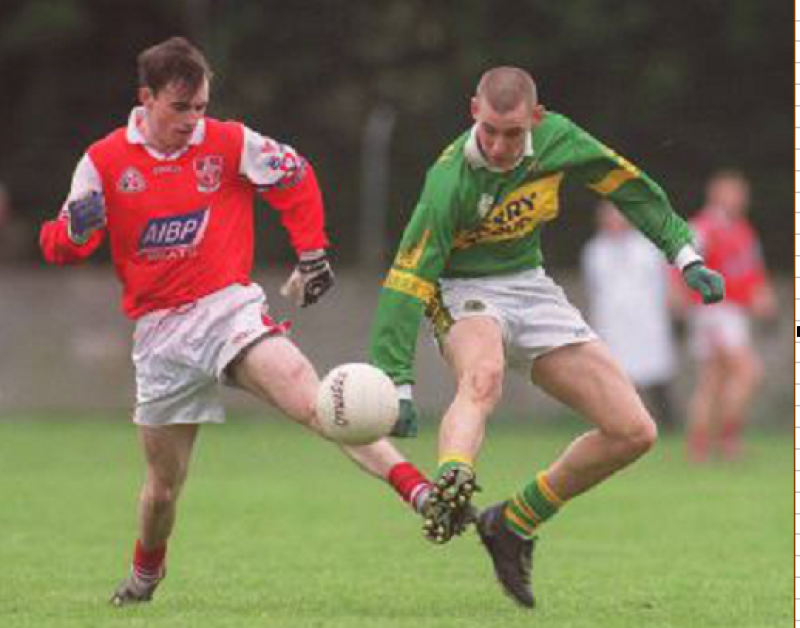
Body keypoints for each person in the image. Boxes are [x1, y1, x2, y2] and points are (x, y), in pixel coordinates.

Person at [39, 37, 433, 607]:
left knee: (319, 404)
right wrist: (75, 231)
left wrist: (312, 252)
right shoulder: (102, 161)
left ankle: (422, 495)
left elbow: (294, 175)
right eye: (180, 107)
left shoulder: (228, 142)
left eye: (201, 107)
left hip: (227, 310)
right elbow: (59, 245)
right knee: (163, 491)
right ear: (146, 98)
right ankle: (145, 575)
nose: (192, 121)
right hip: (160, 334)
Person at [368, 66, 724, 609]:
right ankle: (453, 477)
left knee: (633, 431)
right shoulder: (448, 182)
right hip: (462, 289)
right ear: (474, 111)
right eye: (489, 130)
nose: (498, 145)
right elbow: (407, 279)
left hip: (531, 287)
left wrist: (684, 254)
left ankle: (512, 522)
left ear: (535, 119)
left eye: (512, 133)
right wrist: (396, 381)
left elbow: (625, 184)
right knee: (483, 375)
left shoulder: (558, 138)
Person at [674, 170, 776, 462]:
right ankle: (728, 437)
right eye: (733, 192)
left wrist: (761, 294)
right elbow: (681, 261)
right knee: (748, 372)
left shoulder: (743, 229)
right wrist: (679, 297)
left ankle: (700, 445)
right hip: (714, 311)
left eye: (741, 193)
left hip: (734, 312)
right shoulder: (703, 227)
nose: (740, 198)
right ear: (715, 194)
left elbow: (752, 270)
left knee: (713, 380)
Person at [581, 200, 678, 430]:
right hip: (613, 321)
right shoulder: (595, 251)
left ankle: (666, 421)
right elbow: (595, 288)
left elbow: (663, 283)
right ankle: (620, 421)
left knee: (655, 370)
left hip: (646, 318)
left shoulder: (647, 247)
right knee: (616, 373)